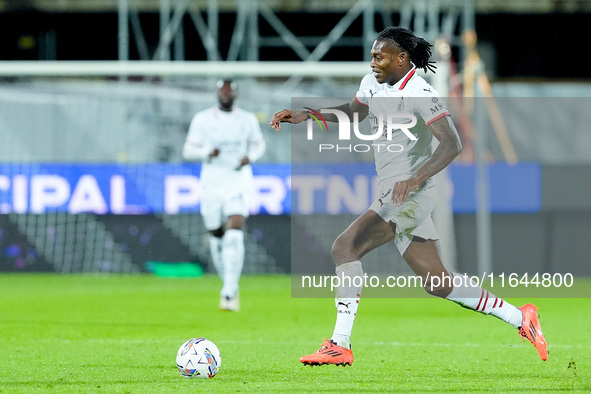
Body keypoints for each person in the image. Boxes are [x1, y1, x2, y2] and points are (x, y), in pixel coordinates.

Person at [270, 27, 547, 365]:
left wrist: (415, 179)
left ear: (401, 59)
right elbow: (354, 111)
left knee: (345, 246)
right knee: (438, 281)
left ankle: (339, 343)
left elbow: (452, 143)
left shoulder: (421, 93)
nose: (373, 62)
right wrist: (308, 115)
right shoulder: (373, 83)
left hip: (412, 193)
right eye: (372, 56)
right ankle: (522, 318)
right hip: (394, 190)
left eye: (379, 56)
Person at [183, 79, 266, 312]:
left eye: (229, 91)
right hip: (212, 184)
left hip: (238, 181)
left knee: (234, 234)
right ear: (217, 93)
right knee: (217, 237)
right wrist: (207, 152)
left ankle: (229, 290)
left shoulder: (247, 120)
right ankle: (228, 284)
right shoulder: (202, 119)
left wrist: (251, 157)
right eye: (222, 90)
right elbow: (188, 150)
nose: (225, 94)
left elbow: (259, 146)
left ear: (235, 95)